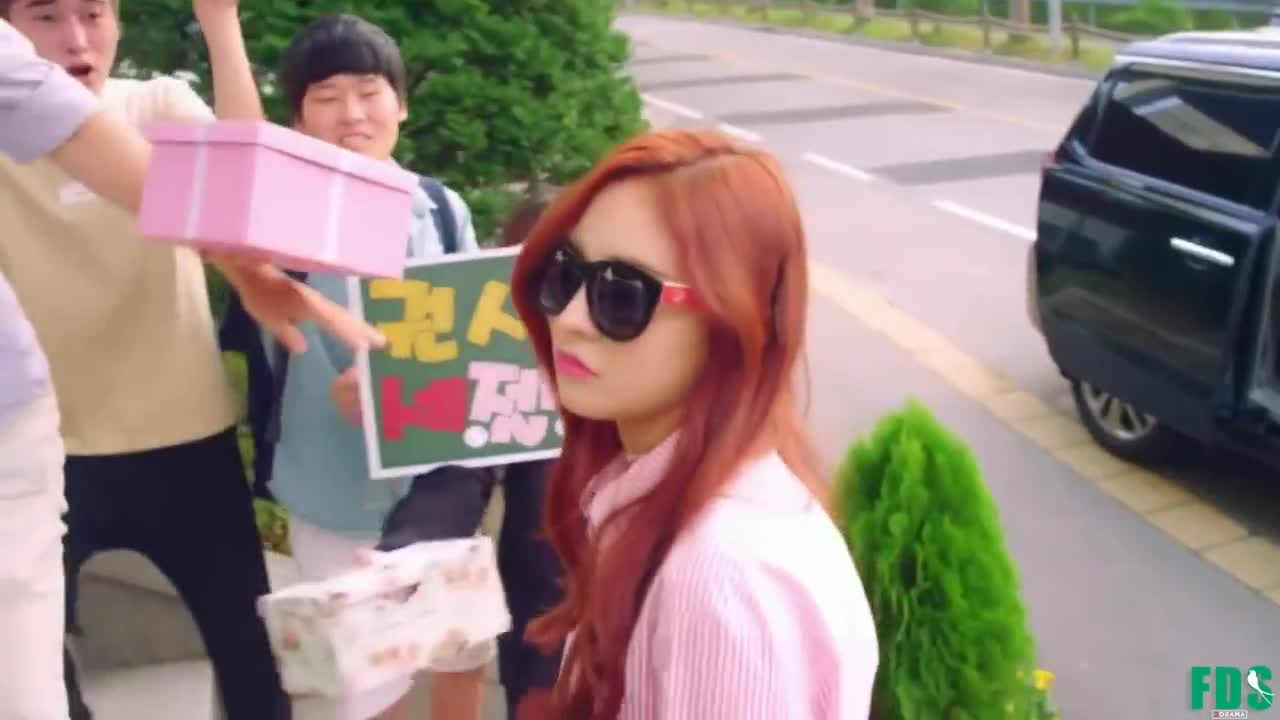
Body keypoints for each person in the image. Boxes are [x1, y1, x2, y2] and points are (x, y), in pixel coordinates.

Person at [0, 0, 392, 717]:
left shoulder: (156, 106)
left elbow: (247, 186)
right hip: (53, 446)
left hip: (186, 435)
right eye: (46, 18)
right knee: (36, 677)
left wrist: (220, 24)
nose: (77, 39)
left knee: (253, 663)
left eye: (94, 14)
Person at [508, 128, 881, 719]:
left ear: (732, 322)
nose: (572, 318)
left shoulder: (717, 579)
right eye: (566, 272)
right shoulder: (673, 497)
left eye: (621, 295)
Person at [229, 14, 493, 720]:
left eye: (370, 91)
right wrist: (220, 25)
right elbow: (239, 154)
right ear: (298, 119)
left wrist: (410, 389)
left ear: (400, 105)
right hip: (333, 496)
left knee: (459, 655)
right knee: (371, 686)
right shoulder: (278, 218)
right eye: (327, 97)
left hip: (440, 486)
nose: (352, 113)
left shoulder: (441, 208)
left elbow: (475, 341)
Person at [375, 194, 567, 717]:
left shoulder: (640, 363)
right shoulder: (500, 361)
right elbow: (459, 472)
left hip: (635, 616)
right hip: (543, 628)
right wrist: (406, 549)